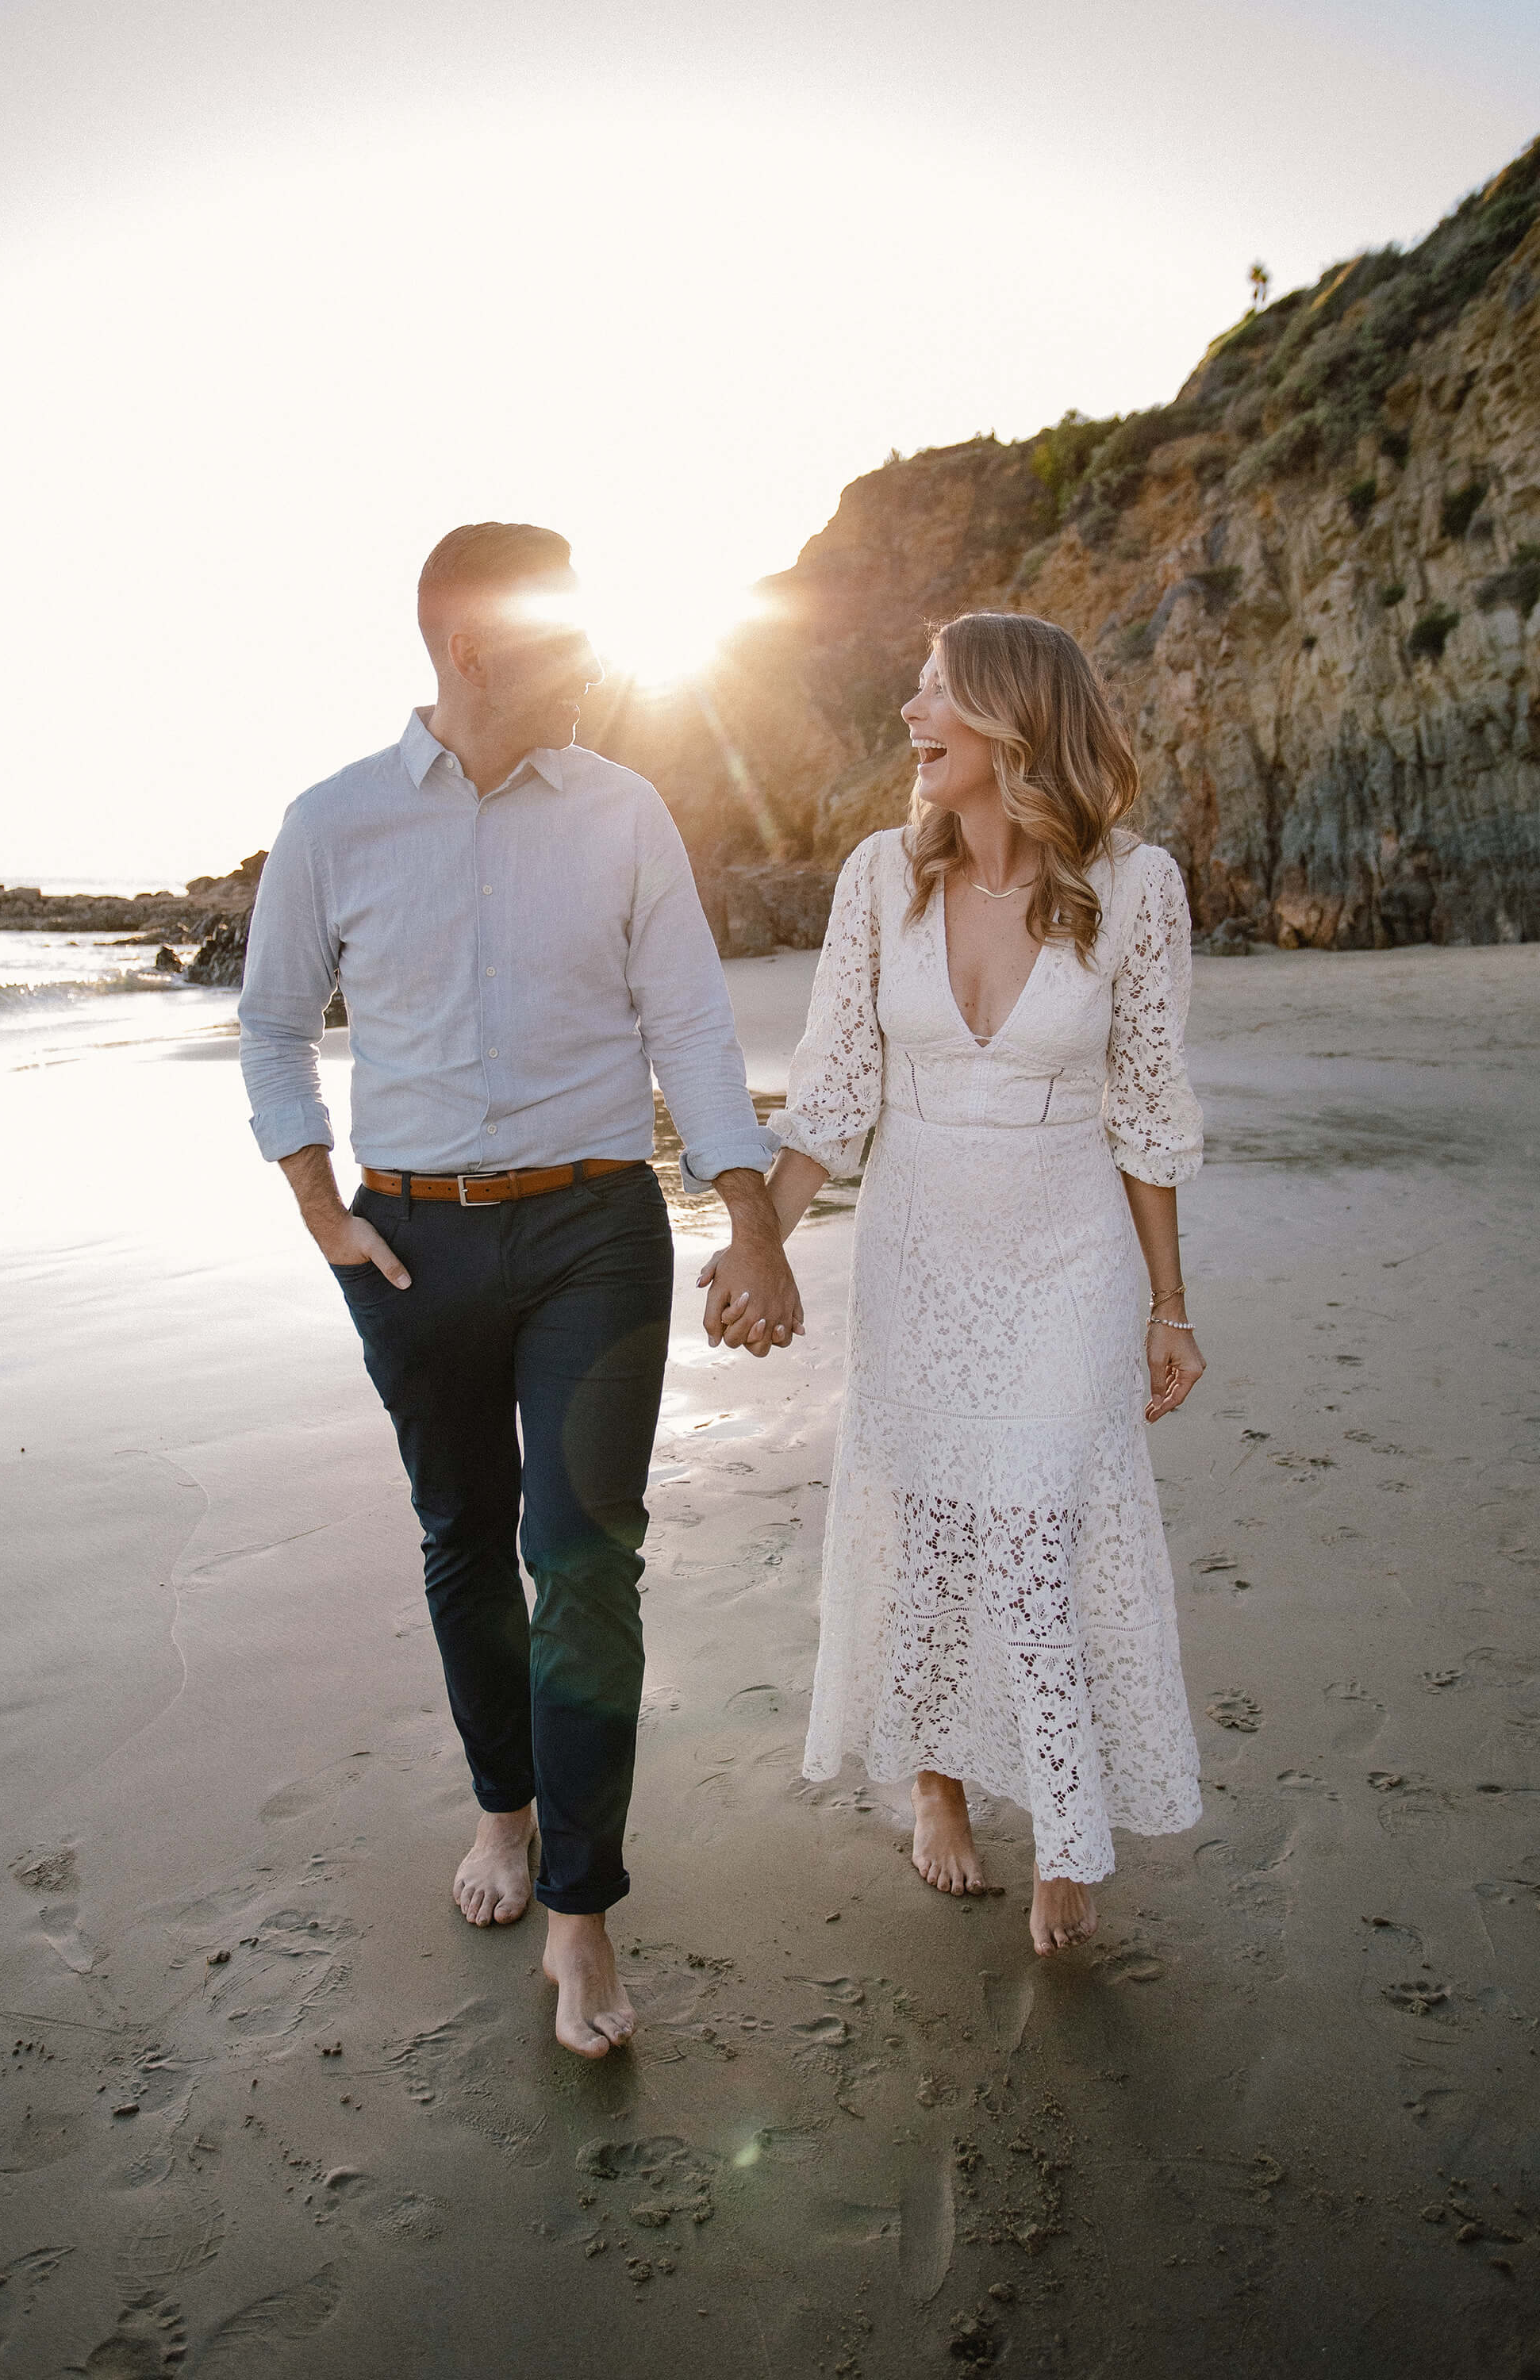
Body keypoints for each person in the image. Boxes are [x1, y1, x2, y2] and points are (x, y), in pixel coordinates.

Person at [238, 522, 801, 2056]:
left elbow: (690, 1027)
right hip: (412, 1247)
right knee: (464, 1540)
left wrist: (749, 1223)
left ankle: (582, 1909)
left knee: (587, 1557)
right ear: (472, 643)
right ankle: (504, 1811)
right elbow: (274, 1027)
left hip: (594, 1236)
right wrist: (319, 1210)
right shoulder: (334, 821)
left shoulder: (624, 813)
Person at [751, 611, 1206, 1956]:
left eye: (936, 691)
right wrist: (760, 1241)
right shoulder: (880, 878)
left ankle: (1069, 1832)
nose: (910, 711)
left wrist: (1167, 1308)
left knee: (1038, 1528)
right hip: (918, 1255)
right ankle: (936, 1787)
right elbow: (831, 1103)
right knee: (938, 1529)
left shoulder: (1136, 890)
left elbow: (1146, 1114)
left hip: (1068, 1258)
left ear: (1012, 719)